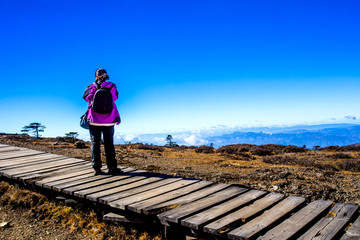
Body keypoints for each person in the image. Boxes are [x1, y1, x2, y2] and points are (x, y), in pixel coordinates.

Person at [83, 68, 121, 175]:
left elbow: (86, 97)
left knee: (95, 144)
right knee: (109, 144)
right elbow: (115, 97)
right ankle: (112, 168)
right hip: (109, 120)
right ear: (106, 75)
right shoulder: (112, 86)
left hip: (94, 120)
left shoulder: (91, 86)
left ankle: (97, 169)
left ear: (96, 76)